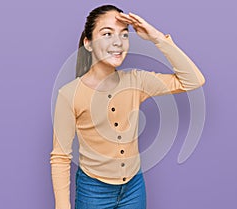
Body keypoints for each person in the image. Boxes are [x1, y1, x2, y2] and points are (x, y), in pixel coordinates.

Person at [50, 4, 205, 209]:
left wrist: (156, 37)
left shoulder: (137, 81)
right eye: (107, 34)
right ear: (88, 43)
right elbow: (60, 157)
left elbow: (193, 81)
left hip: (134, 188)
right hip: (93, 191)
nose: (118, 42)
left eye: (124, 35)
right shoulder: (69, 94)